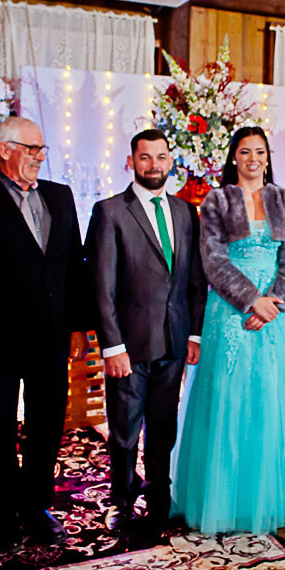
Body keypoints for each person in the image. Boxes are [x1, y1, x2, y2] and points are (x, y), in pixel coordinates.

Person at [0, 116, 90, 550]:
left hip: (52, 336)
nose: (40, 157)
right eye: (32, 148)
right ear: (4, 150)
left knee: (47, 427)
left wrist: (79, 326)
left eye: (42, 149)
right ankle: (5, 513)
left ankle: (36, 507)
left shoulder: (60, 196)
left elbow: (73, 265)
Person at [172, 126, 285, 534]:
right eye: (246, 151)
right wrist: (252, 300)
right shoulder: (217, 200)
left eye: (260, 152)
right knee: (228, 399)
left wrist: (275, 302)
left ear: (268, 158)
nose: (253, 159)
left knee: (272, 399)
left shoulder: (284, 199)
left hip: (276, 315)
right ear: (234, 156)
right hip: (230, 312)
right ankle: (225, 501)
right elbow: (213, 261)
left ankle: (270, 499)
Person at [86, 129, 207, 534]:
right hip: (130, 346)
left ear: (171, 161)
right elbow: (100, 286)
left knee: (163, 426)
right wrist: (112, 346)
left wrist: (194, 334)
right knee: (124, 430)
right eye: (145, 157)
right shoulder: (110, 212)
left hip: (174, 340)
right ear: (131, 162)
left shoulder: (186, 212)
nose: (154, 165)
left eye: (160, 157)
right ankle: (120, 500)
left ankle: (158, 496)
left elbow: (195, 280)